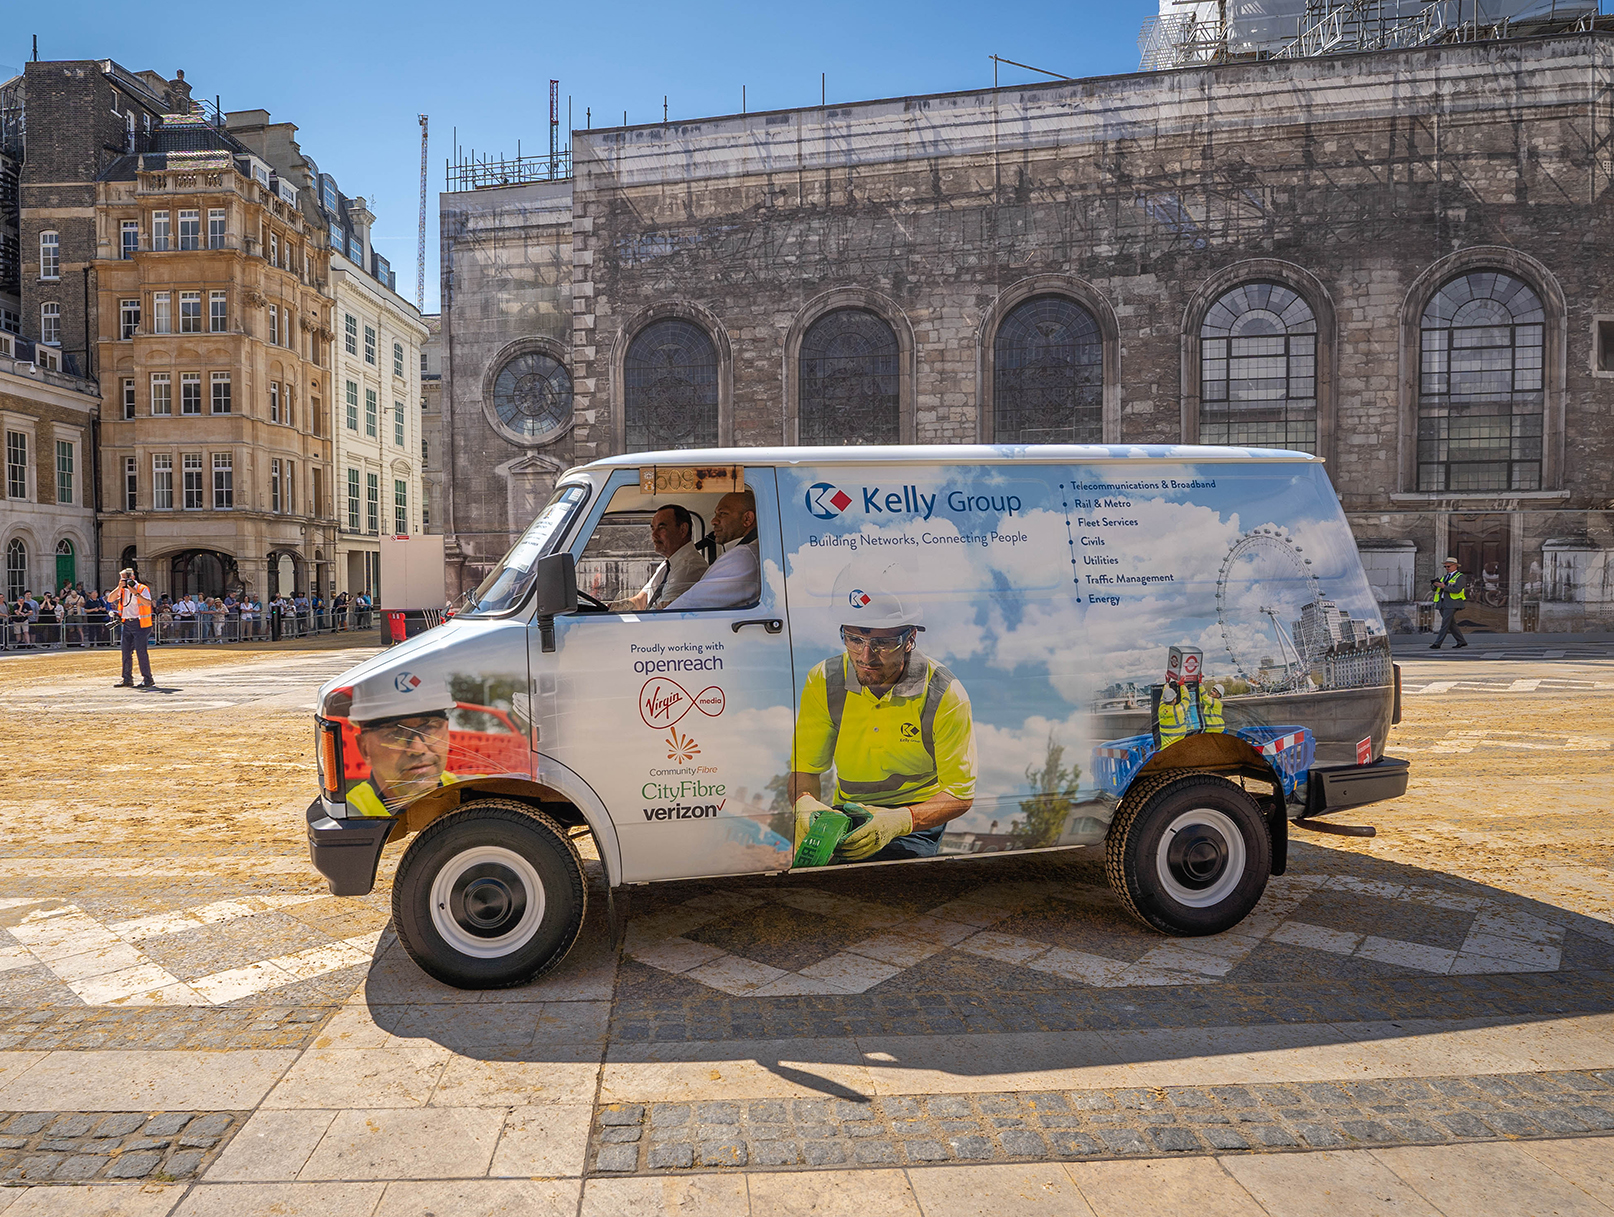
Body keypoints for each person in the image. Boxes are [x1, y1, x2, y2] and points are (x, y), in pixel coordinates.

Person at [787, 568, 976, 863]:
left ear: (910, 638)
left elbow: (959, 795)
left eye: (883, 644)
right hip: (847, 810)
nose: (865, 656)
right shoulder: (823, 681)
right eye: (853, 639)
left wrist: (898, 821)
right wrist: (804, 802)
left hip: (915, 817)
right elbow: (805, 770)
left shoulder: (944, 694)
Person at [341, 671, 462, 817]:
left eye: (429, 728)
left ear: (447, 731)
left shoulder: (471, 790)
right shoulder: (352, 816)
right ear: (364, 748)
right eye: (395, 733)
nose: (417, 749)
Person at [666, 490, 760, 610]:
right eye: (716, 514)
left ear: (747, 519)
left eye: (722, 513)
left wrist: (661, 615)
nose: (713, 521)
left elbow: (690, 606)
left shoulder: (742, 556)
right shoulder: (742, 553)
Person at [611, 504, 709, 612]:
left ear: (683, 530)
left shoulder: (689, 567)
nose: (654, 534)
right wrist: (612, 608)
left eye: (661, 528)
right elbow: (641, 600)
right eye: (653, 528)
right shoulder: (668, 564)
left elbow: (662, 614)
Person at [108, 567, 155, 688]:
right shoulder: (122, 590)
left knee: (141, 652)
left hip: (141, 624)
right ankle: (127, 679)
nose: (123, 580)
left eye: (124, 578)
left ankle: (148, 679)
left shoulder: (142, 588)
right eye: (122, 578)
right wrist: (119, 587)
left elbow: (148, 603)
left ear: (132, 577)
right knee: (125, 652)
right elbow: (110, 599)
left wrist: (135, 593)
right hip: (127, 624)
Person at [1430, 556, 1469, 650]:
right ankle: (1461, 641)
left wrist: (1443, 587)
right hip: (1442, 603)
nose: (1447, 568)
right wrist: (1435, 585)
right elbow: (1437, 589)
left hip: (1452, 603)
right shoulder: (1444, 577)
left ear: (1455, 566)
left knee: (1445, 624)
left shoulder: (1460, 577)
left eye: (1448, 566)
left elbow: (1457, 590)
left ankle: (1437, 643)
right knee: (1451, 624)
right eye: (1445, 567)